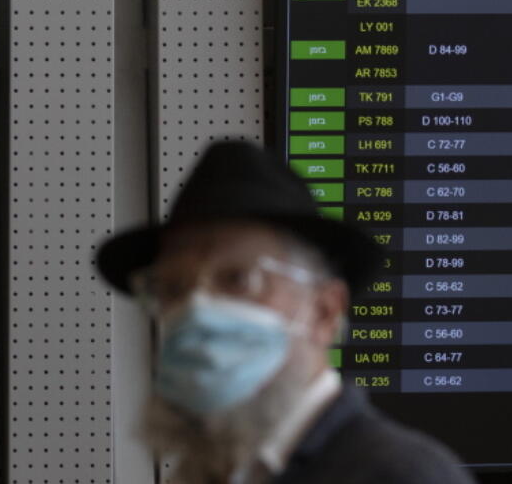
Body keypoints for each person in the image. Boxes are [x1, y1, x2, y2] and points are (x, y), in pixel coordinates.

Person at [94, 139, 477, 484]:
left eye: (237, 279)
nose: (196, 308)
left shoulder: (400, 474)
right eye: (174, 288)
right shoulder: (205, 474)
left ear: (325, 311)